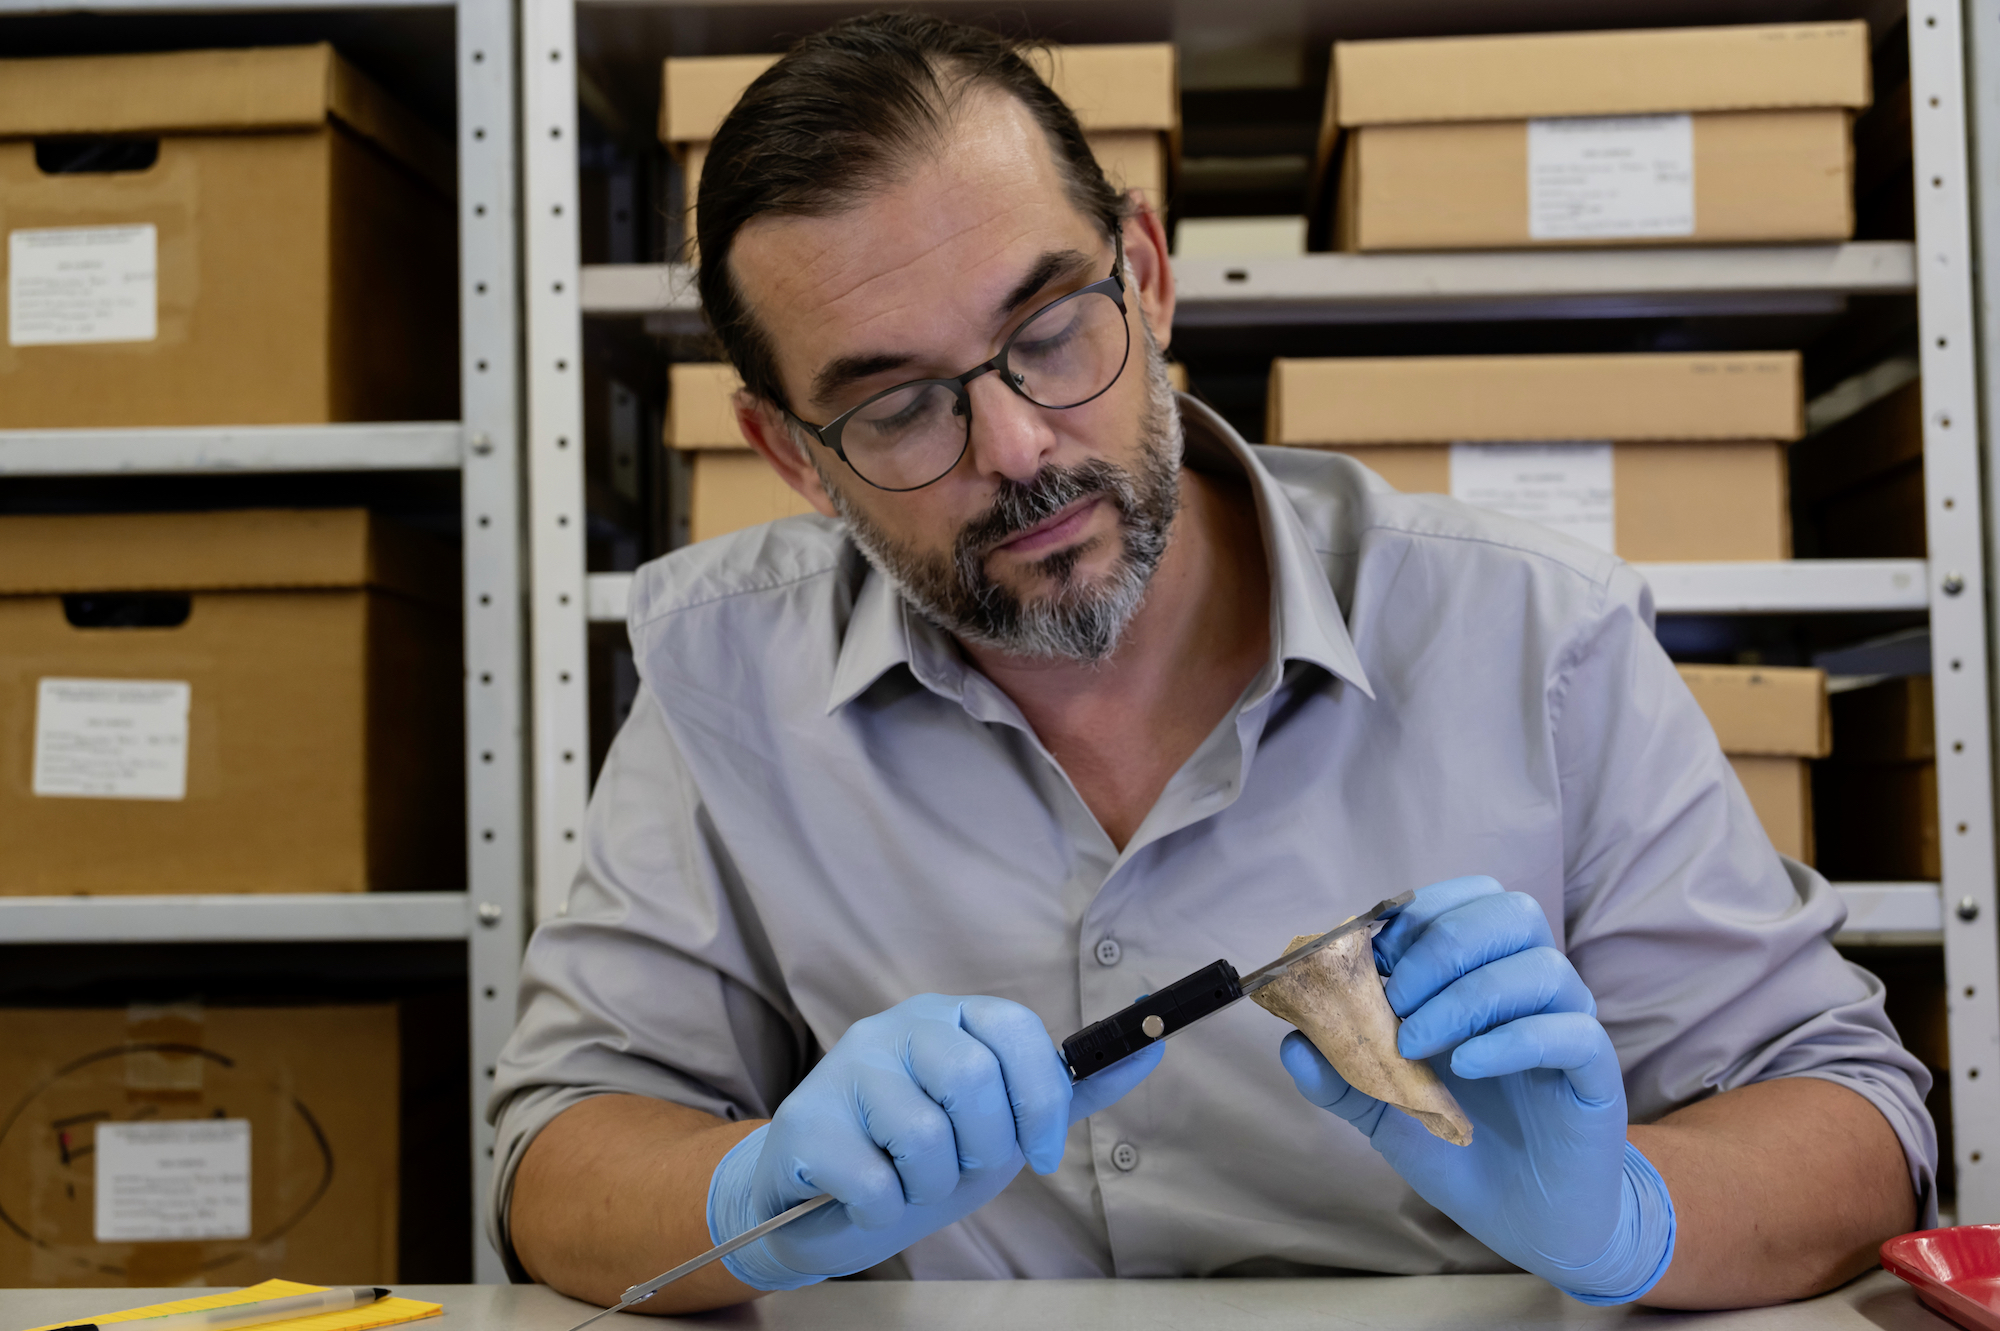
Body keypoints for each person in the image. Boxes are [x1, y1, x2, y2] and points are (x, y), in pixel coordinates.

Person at [490, 11, 1934, 1313]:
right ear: (790, 456)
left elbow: (1853, 1120)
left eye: (1051, 333)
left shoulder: (1529, 633)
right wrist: (752, 1201)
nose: (1018, 449)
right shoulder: (722, 670)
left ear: (1151, 274)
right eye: (898, 409)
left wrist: (1631, 1216)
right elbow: (556, 1153)